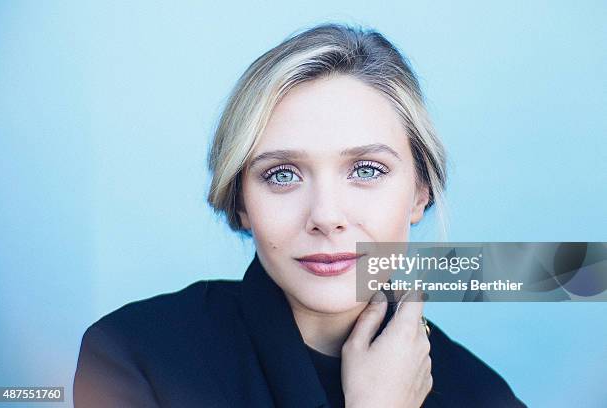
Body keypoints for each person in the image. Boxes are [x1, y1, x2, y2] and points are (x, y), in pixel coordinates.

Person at [73, 23, 526, 407]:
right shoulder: (135, 356)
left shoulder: (484, 396)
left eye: (366, 170)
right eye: (283, 175)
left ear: (419, 194)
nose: (326, 216)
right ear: (241, 201)